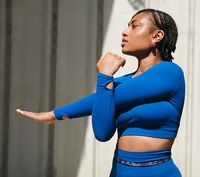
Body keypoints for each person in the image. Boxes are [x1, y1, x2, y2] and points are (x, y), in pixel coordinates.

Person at [16, 8, 185, 177]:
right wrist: (105, 79)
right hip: (119, 171)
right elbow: (102, 133)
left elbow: (107, 97)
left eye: (134, 26)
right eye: (127, 26)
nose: (125, 32)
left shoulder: (170, 72)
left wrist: (55, 114)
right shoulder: (117, 84)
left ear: (157, 36)